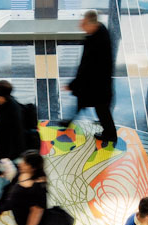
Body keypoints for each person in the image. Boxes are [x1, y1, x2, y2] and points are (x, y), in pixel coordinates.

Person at [64, 10, 117, 143]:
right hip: (98, 82)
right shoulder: (101, 32)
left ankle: (110, 134)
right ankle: (69, 121)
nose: (82, 27)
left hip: (97, 84)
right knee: (93, 105)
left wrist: (73, 84)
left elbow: (86, 67)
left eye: (83, 24)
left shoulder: (95, 41)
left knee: (101, 109)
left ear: (91, 24)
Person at [0, 80, 26, 204]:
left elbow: (15, 136)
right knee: (7, 173)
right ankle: (1, 195)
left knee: (3, 173)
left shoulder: (12, 111)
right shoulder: (3, 103)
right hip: (6, 149)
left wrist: (5, 156)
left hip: (11, 151)